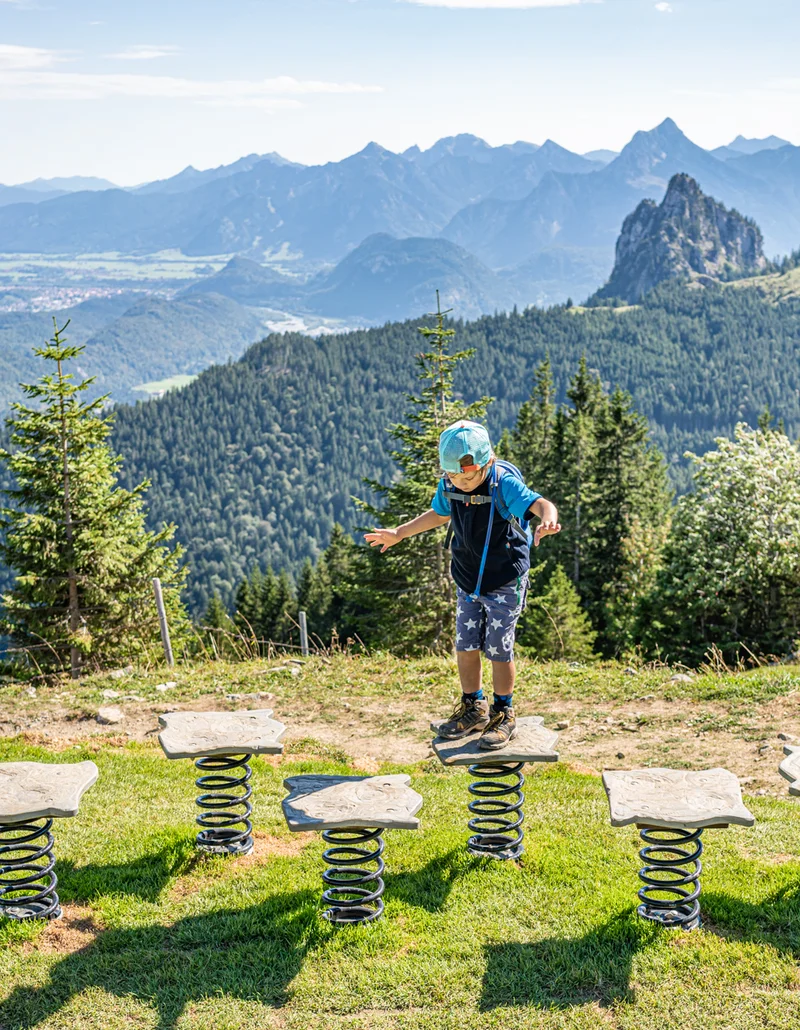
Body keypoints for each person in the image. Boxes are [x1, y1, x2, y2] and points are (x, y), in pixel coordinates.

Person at [365, 419, 560, 749]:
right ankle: (473, 708)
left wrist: (548, 519)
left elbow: (539, 503)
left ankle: (503, 712)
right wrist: (399, 533)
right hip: (468, 579)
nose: (461, 482)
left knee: (499, 648)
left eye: (468, 476)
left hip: (504, 580)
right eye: (454, 476)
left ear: (487, 462)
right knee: (466, 646)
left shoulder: (503, 484)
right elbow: (439, 513)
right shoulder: (450, 484)